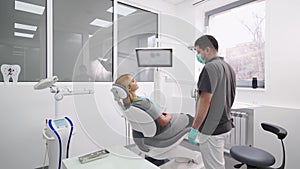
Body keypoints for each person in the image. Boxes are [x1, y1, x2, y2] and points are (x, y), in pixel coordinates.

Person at [188, 35, 236, 169]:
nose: (198, 55)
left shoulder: (209, 68)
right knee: (217, 161)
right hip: (225, 123)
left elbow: (205, 101)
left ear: (207, 50)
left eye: (198, 51)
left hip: (212, 129)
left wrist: (195, 128)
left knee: (214, 166)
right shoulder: (228, 67)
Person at [115, 73, 194, 150]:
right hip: (165, 130)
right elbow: (163, 122)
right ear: (129, 88)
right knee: (189, 118)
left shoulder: (129, 107)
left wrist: (140, 144)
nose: (135, 81)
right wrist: (168, 117)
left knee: (180, 115)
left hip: (155, 129)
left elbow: (136, 127)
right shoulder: (143, 103)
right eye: (133, 81)